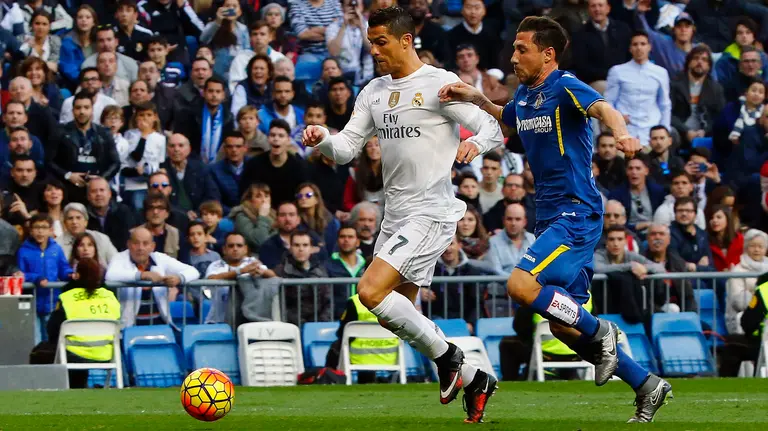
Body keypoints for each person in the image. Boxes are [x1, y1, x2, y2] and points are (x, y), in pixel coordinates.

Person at [438, 15, 671, 422]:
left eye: (521, 49)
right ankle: (647, 384)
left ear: (547, 54)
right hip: (549, 216)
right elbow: (507, 119)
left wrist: (621, 134)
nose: (513, 57)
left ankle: (603, 332)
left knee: (520, 285)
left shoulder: (564, 85)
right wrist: (476, 98)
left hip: (575, 211)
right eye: (513, 48)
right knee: (564, 326)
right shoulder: (526, 95)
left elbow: (605, 109)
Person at [302, 7, 504, 423]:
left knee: (370, 291)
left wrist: (475, 145)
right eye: (371, 43)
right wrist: (323, 138)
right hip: (394, 217)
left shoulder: (439, 83)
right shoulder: (373, 91)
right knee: (398, 314)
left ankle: (450, 359)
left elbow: (492, 126)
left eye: (381, 42)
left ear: (406, 40)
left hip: (430, 212)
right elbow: (346, 149)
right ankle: (474, 378)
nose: (374, 51)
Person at [46, 258, 120, 389]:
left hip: (74, 353)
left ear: (77, 275)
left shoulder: (67, 297)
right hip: (106, 352)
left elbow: (52, 328)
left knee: (43, 351)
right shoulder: (110, 296)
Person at [105, 226, 200, 328]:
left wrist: (179, 278)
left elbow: (194, 271)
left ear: (152, 246)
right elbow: (110, 275)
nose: (140, 248)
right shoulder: (120, 258)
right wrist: (141, 275)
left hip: (161, 326)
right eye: (136, 243)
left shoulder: (160, 258)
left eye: (145, 243)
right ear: (128, 244)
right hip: (130, 327)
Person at [18, 213, 74, 342]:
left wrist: (70, 274)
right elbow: (20, 274)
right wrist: (36, 278)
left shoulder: (56, 249)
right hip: (32, 303)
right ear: (31, 231)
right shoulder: (23, 250)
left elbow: (63, 268)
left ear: (51, 230)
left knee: (50, 338)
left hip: (52, 301)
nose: (40, 231)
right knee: (35, 339)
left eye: (44, 227)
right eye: (36, 227)